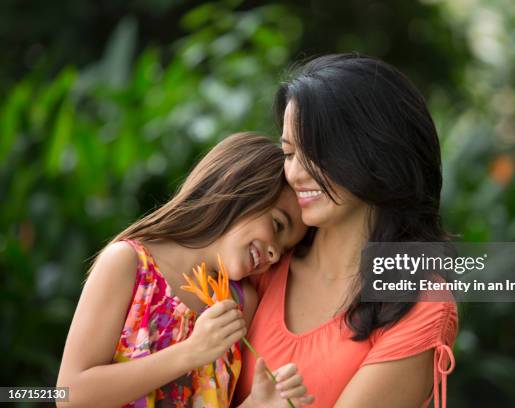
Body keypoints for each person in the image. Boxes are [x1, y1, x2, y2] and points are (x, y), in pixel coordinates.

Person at [235, 55, 458, 408]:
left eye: (317, 151)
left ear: (376, 150)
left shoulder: (417, 304)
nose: (296, 174)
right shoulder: (263, 261)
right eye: (290, 153)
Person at [57, 133, 314, 408]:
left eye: (285, 249)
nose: (275, 254)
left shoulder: (239, 305)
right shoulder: (128, 264)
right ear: (235, 183)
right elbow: (70, 394)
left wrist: (257, 404)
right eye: (277, 225)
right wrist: (190, 352)